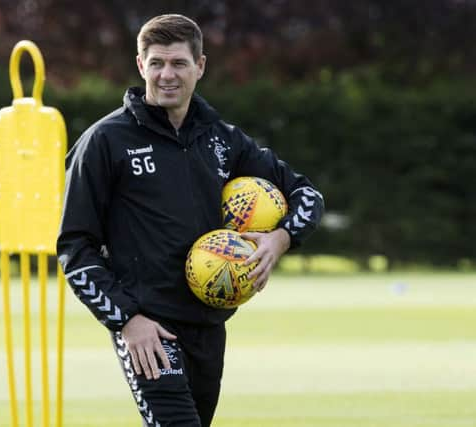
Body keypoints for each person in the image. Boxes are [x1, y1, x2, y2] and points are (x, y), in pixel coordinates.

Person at [57, 13, 324, 427]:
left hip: (209, 324)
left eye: (179, 63)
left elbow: (306, 196)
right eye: (157, 62)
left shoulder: (222, 138)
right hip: (149, 330)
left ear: (200, 66)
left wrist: (280, 239)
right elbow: (74, 249)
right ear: (141, 64)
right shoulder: (104, 142)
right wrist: (126, 320)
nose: (167, 74)